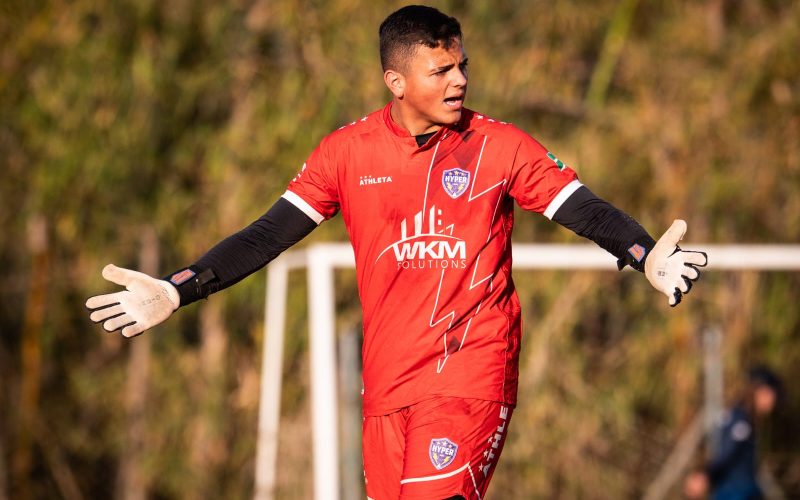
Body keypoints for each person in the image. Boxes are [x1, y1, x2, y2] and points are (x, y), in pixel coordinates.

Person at [86, 5, 708, 499]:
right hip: (386, 389)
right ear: (396, 80)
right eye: (441, 71)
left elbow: (585, 209)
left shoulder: (500, 146)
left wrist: (644, 252)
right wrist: (176, 287)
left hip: (470, 374)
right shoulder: (347, 152)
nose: (459, 79)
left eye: (462, 65)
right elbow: (265, 234)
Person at [684, 366, 782, 500]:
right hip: (737, 494)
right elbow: (727, 453)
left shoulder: (744, 418)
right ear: (759, 392)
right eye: (770, 394)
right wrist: (706, 475)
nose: (773, 401)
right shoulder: (741, 421)